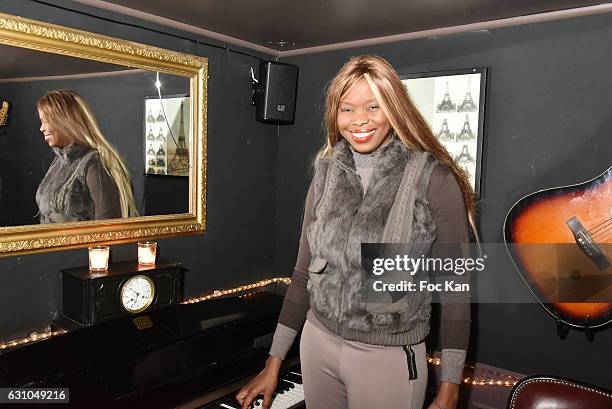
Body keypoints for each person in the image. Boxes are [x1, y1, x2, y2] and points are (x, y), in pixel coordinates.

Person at [237, 55, 476, 409]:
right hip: (316, 344)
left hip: (387, 358)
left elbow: (457, 291)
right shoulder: (326, 172)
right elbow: (303, 274)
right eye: (346, 108)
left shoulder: (432, 178)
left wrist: (450, 386)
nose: (359, 120)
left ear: (394, 109)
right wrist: (273, 362)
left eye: (373, 107)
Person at [35, 89, 138, 223]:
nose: (41, 128)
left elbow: (108, 227)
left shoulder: (94, 163)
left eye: (46, 121)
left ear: (65, 120)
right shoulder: (59, 160)